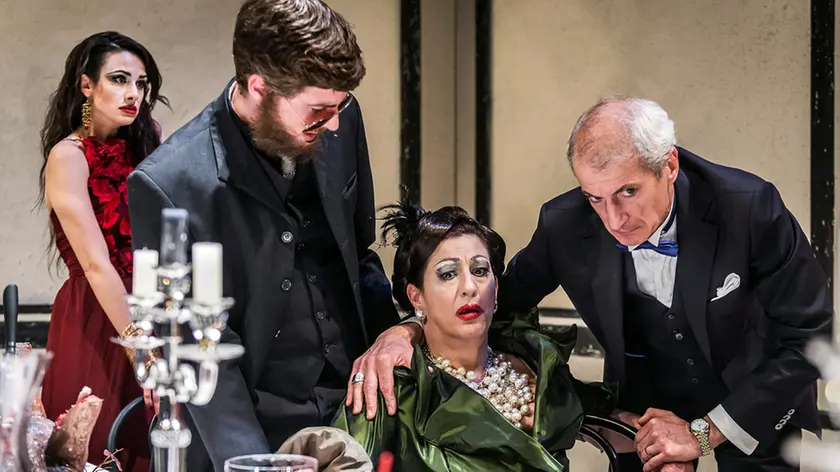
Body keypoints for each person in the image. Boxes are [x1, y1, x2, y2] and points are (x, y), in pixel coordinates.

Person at [351, 96, 833, 471]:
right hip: (641, 418)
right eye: (595, 198)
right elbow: (495, 301)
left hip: (753, 404)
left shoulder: (748, 208)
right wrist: (408, 329)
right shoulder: (565, 225)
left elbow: (809, 335)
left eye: (628, 191)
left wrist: (703, 434)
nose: (614, 219)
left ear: (669, 165)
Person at [126, 1, 410, 470]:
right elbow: (200, 350)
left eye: (340, 105)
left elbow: (358, 256)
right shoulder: (169, 184)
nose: (334, 124)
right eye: (318, 111)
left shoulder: (340, 119)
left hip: (359, 410)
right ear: (259, 87)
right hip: (251, 427)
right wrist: (254, 463)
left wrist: (399, 341)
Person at [333, 200, 616, 471]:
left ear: (497, 290)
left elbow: (613, 426)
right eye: (448, 274)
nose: (470, 287)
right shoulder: (392, 388)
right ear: (416, 297)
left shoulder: (537, 366)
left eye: (480, 271)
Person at [38, 31, 167, 472]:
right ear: (87, 85)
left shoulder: (149, 143)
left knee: (158, 450)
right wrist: (139, 345)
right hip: (95, 319)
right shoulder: (67, 156)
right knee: (99, 452)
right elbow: (96, 264)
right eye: (119, 79)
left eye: (142, 83)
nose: (134, 94)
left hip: (150, 308)